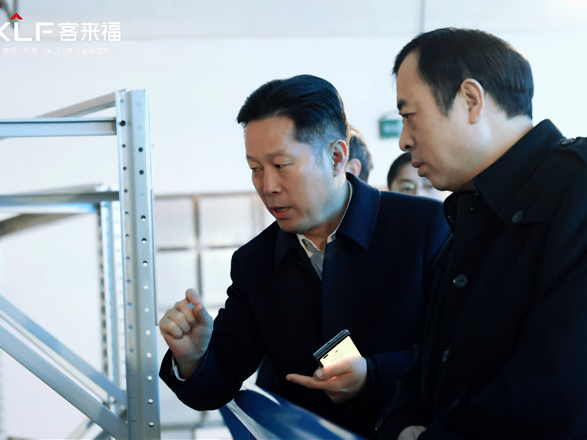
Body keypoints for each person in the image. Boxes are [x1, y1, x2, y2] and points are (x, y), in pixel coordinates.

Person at [376, 28, 587, 439]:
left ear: (470, 100)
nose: (404, 140)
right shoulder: (471, 206)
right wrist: (401, 421)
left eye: (409, 116)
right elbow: (435, 359)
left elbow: (562, 387)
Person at [158, 74, 449, 437]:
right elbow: (218, 383)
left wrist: (374, 372)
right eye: (255, 169)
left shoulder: (425, 228)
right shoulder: (256, 263)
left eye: (281, 165)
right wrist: (191, 357)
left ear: (337, 157)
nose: (268, 186)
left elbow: (464, 352)